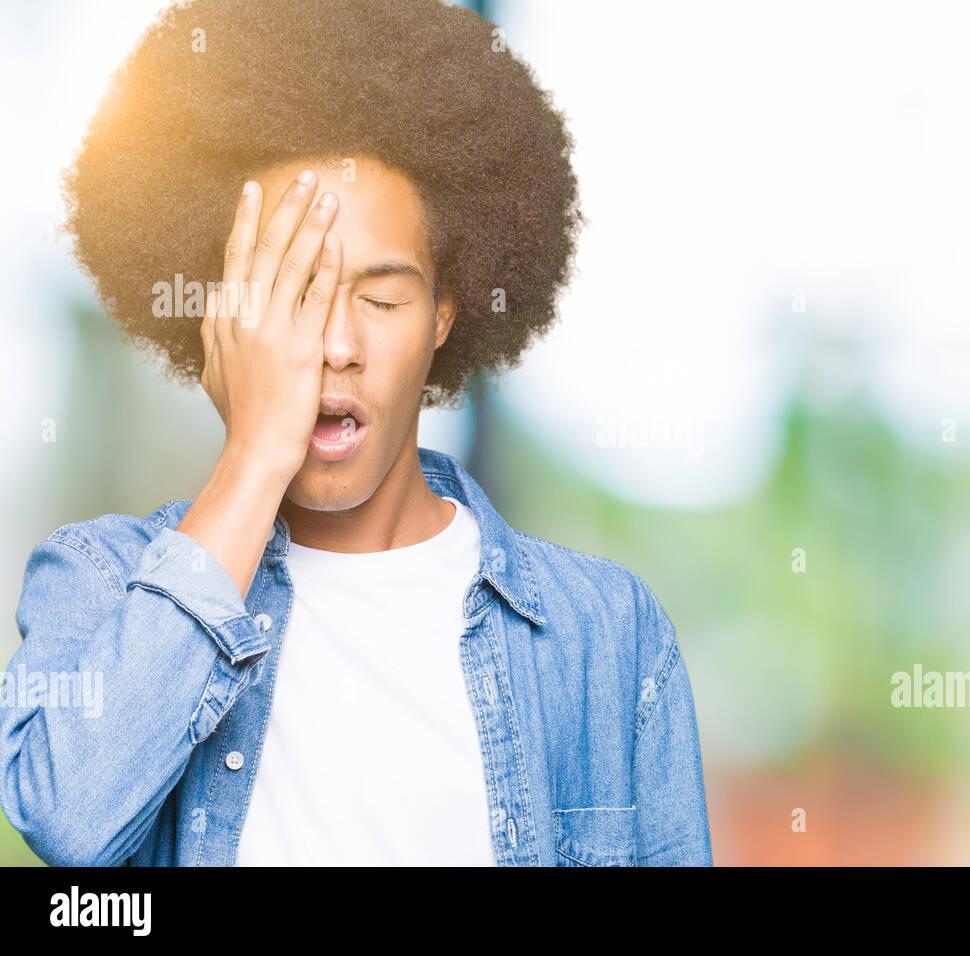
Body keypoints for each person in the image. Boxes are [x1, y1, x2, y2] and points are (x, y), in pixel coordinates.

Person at [0, 0, 710, 867]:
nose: (336, 347)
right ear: (222, 319)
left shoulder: (605, 634)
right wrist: (255, 455)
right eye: (291, 301)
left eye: (381, 299)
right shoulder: (98, 583)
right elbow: (71, 826)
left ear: (447, 313)